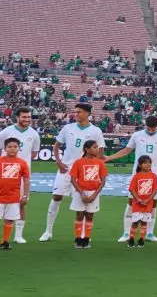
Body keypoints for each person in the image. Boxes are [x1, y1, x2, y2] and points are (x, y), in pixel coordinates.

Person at [41, 103, 105, 242]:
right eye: (75, 112)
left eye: (79, 112)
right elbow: (56, 146)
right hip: (66, 169)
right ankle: (48, 231)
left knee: (84, 204)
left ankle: (83, 235)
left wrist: (93, 168)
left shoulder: (95, 131)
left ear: (88, 113)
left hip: (85, 172)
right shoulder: (68, 128)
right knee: (56, 197)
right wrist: (58, 161)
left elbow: (100, 152)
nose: (76, 114)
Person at [106, 115, 157, 243]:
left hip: (154, 175)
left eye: (153, 129)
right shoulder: (137, 135)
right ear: (145, 125)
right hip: (138, 175)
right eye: (149, 128)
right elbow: (126, 151)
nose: (151, 131)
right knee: (131, 202)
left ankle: (150, 233)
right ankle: (126, 233)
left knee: (153, 204)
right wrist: (109, 158)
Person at [0, 107, 39, 244]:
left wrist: (21, 166)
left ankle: (18, 235)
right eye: (24, 117)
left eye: (29, 117)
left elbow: (33, 154)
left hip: (22, 175)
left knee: (21, 203)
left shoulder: (34, 134)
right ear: (17, 117)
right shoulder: (6, 132)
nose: (27, 119)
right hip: (4, 174)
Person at [68, 139, 107, 249]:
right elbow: (73, 179)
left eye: (97, 147)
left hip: (93, 192)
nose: (97, 149)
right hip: (80, 192)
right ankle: (78, 239)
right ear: (87, 149)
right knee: (79, 215)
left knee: (90, 216)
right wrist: (81, 193)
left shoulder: (100, 163)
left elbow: (103, 181)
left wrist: (94, 195)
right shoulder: (78, 162)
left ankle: (86, 239)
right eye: (95, 147)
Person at [0, 137, 30, 250]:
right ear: (5, 148)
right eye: (10, 147)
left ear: (19, 148)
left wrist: (25, 195)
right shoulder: (1, 161)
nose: (12, 149)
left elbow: (26, 180)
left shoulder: (22, 163)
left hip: (13, 197)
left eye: (15, 147)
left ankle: (5, 241)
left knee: (9, 219)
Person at [127, 155, 157, 248]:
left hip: (147, 204)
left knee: (144, 222)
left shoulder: (153, 176)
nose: (148, 164)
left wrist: (148, 200)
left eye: (149, 163)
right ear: (140, 165)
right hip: (137, 204)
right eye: (145, 163)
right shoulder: (136, 176)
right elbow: (132, 189)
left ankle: (141, 239)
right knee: (135, 222)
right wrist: (138, 199)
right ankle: (131, 239)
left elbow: (155, 190)